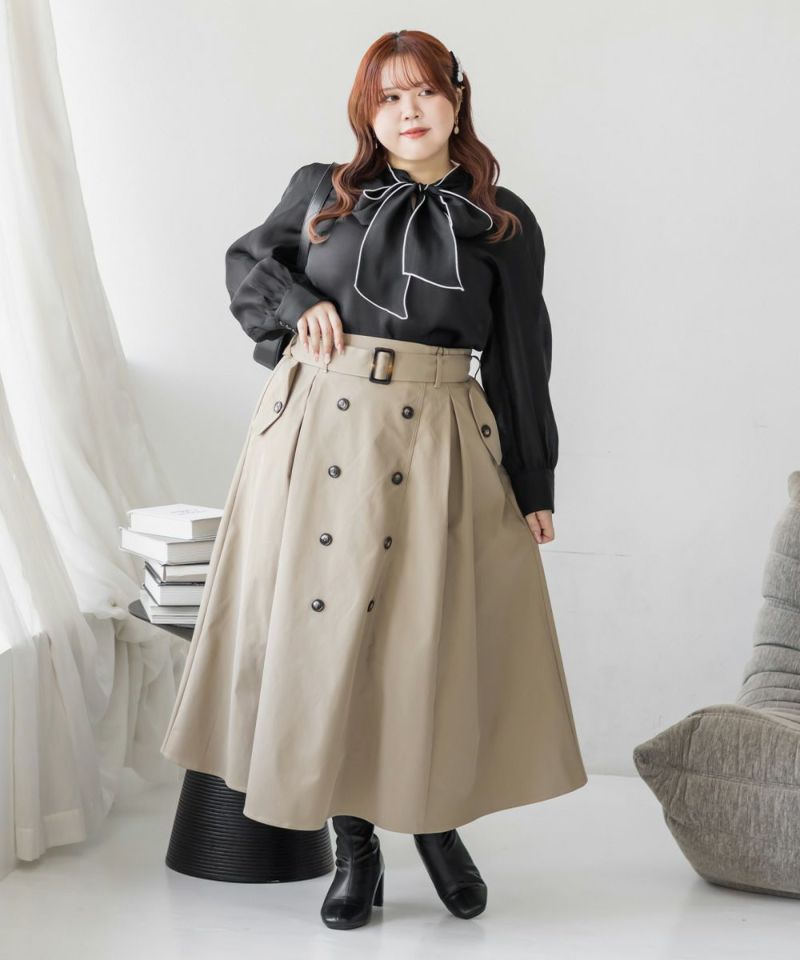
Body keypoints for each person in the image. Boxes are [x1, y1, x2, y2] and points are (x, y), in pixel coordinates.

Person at [160, 28, 588, 930]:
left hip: (440, 441)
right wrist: (298, 305)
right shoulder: (325, 190)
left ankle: (435, 829)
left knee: (425, 641)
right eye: (389, 97)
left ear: (456, 100)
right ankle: (355, 851)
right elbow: (247, 265)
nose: (409, 111)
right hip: (317, 431)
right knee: (330, 644)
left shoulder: (502, 221)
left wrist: (534, 480)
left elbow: (522, 355)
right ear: (368, 112)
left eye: (425, 91)